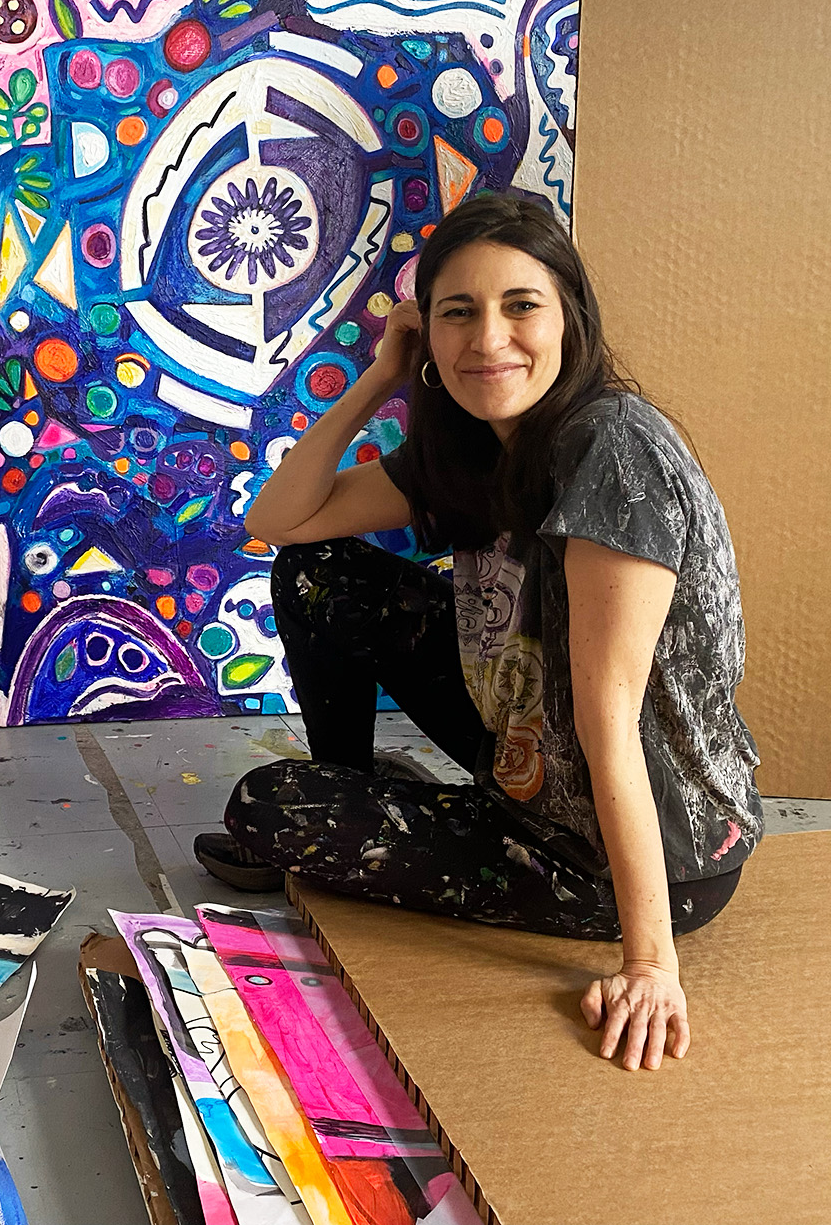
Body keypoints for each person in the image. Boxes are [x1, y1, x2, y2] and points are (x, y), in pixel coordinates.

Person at [194, 193, 763, 1072]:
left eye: (520, 306)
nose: (487, 339)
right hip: (534, 749)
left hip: (644, 847)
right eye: (458, 313)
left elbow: (610, 718)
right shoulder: (470, 452)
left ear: (570, 315)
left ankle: (363, 811)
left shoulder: (613, 450)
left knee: (270, 808)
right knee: (322, 574)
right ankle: (359, 789)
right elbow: (281, 521)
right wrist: (382, 376)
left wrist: (650, 965)